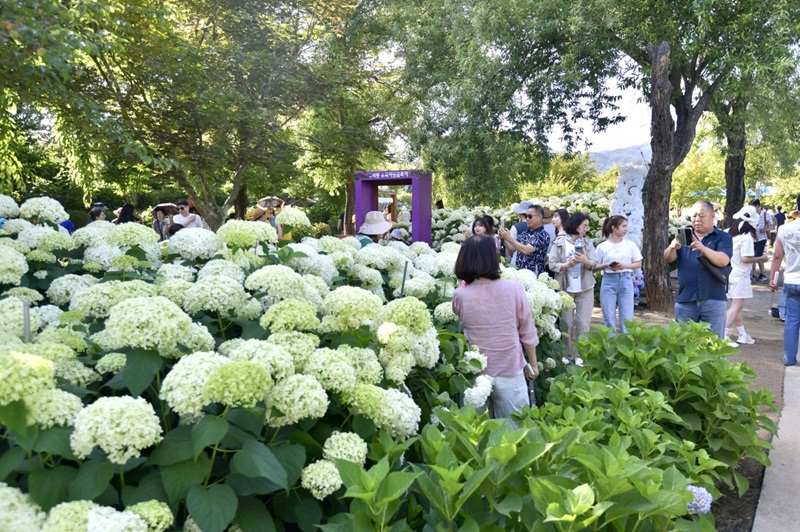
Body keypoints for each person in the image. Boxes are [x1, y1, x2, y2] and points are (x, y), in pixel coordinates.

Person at [452, 235, 539, 421]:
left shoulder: (460, 295)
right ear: (494, 258)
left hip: (476, 373)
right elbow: (527, 331)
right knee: (515, 432)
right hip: (510, 368)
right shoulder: (514, 288)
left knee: (476, 435)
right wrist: (532, 363)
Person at [664, 200, 733, 339]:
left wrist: (702, 247)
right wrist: (672, 247)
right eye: (694, 216)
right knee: (683, 343)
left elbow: (723, 260)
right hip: (686, 299)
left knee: (713, 346)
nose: (697, 219)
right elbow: (668, 258)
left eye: (701, 215)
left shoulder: (722, 237)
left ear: (713, 216)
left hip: (713, 299)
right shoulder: (684, 235)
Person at [548, 212, 598, 355]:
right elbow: (552, 264)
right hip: (565, 289)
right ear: (575, 224)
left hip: (585, 288)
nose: (585, 230)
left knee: (583, 324)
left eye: (587, 227)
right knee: (567, 325)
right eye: (584, 226)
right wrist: (567, 265)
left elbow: (594, 263)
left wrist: (585, 261)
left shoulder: (587, 243)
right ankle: (567, 356)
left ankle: (582, 356)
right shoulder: (559, 242)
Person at [724, 205, 769, 345]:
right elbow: (745, 259)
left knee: (736, 306)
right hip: (740, 275)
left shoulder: (727, 233)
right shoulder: (746, 238)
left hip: (728, 274)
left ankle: (743, 334)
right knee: (736, 306)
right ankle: (722, 334)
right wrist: (761, 258)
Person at [594, 215, 642, 334]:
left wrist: (624, 266)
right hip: (608, 280)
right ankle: (611, 345)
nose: (626, 229)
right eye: (623, 226)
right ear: (614, 228)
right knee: (608, 315)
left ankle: (625, 344)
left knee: (627, 316)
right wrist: (606, 265)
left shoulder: (630, 244)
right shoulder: (602, 247)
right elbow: (594, 266)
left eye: (626, 226)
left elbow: (638, 263)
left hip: (625, 279)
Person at [770, 199, 800, 366]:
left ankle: (789, 358)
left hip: (792, 280)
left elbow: (777, 257)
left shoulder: (785, 229)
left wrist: (773, 280)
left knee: (792, 321)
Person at [499, 205, 550, 275]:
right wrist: (504, 238)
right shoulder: (525, 233)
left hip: (533, 277)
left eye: (530, 216)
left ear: (539, 217)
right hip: (519, 274)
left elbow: (526, 250)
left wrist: (509, 238)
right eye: (526, 216)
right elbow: (512, 249)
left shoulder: (543, 235)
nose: (527, 219)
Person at [749, 199, 769, 281]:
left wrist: (765, 229)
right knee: (752, 256)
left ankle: (762, 274)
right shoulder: (750, 214)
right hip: (752, 238)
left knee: (758, 255)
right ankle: (752, 274)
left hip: (762, 238)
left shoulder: (765, 215)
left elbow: (771, 226)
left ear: (757, 206)